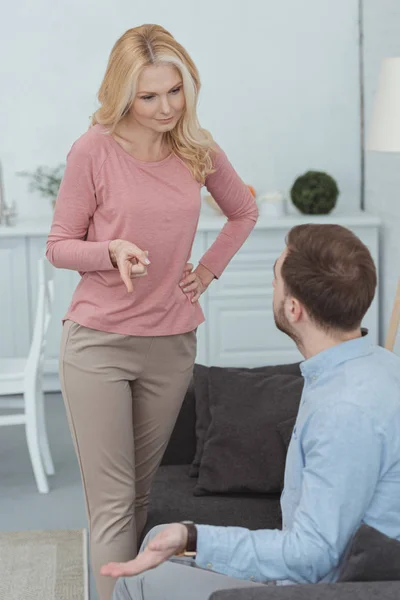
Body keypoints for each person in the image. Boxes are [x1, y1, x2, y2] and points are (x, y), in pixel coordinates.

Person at [46, 24, 258, 600]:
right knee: (113, 504)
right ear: (122, 94)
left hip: (171, 343)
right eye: (148, 96)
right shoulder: (93, 148)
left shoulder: (197, 148)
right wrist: (108, 251)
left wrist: (208, 270)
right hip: (98, 343)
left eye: (175, 91)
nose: (165, 107)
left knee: (140, 495)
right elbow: (59, 242)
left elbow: (243, 212)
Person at [101, 223, 400, 600]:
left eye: (275, 278)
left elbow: (312, 556)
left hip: (315, 587)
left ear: (294, 309)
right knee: (153, 544)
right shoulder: (375, 364)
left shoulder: (345, 412)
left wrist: (194, 536)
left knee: (137, 580)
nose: (271, 287)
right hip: (308, 561)